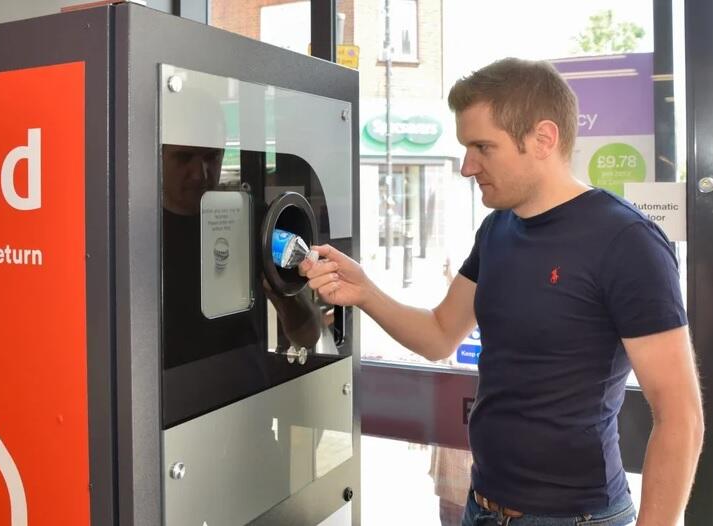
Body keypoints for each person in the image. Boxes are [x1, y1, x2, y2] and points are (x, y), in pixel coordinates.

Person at [300, 58, 703, 525]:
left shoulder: (625, 240)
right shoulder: (496, 230)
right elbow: (439, 334)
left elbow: (680, 416)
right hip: (484, 506)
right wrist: (364, 291)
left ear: (543, 139)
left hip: (575, 518)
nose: (468, 166)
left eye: (482, 147)